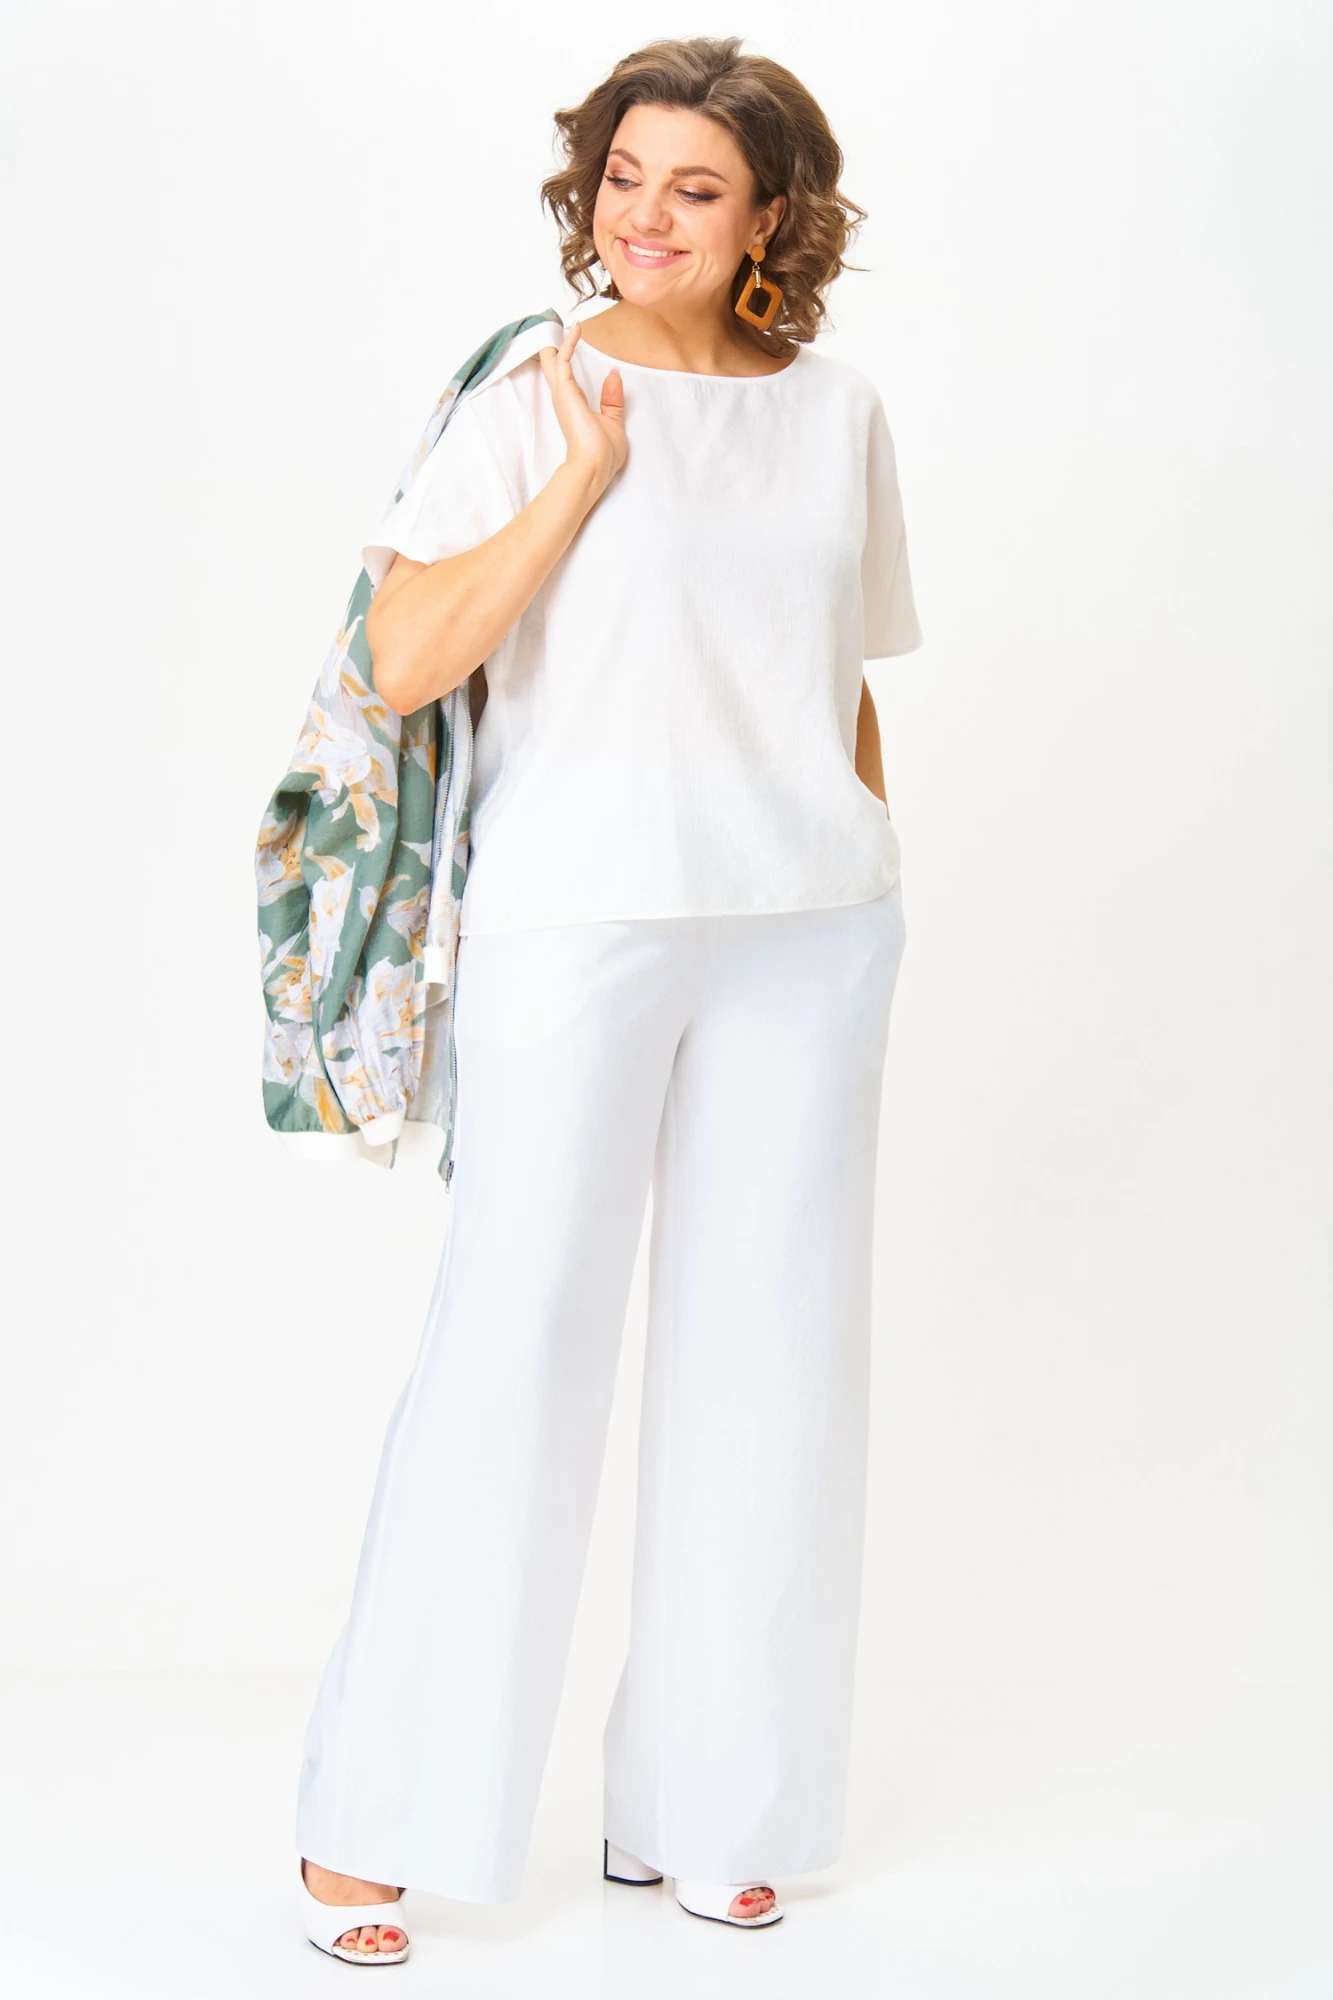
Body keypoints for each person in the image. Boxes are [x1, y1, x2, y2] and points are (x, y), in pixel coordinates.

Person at [294, 33, 923, 1965]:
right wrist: (579, 480)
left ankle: (713, 1810)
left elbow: (837, 672)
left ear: (772, 219)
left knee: (775, 1359)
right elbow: (405, 656)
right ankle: (376, 1821)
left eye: (694, 187)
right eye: (622, 177)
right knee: (519, 1343)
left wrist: (866, 857)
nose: (643, 215)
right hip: (580, 922)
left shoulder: (839, 413)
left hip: (811, 926)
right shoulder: (533, 391)